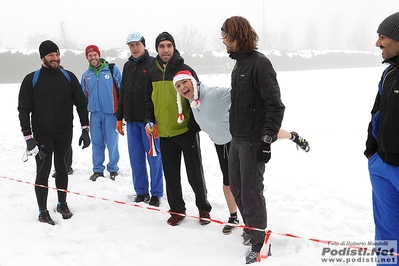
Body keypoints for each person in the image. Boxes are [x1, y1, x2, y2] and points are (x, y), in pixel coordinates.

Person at [172, 71, 310, 235]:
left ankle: (292, 136)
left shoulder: (213, 94)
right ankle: (233, 217)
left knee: (266, 141)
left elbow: (240, 93)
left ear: (193, 81)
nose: (182, 87)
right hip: (221, 144)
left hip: (239, 138)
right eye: (178, 86)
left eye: (185, 82)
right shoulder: (193, 102)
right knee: (228, 182)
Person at [221, 16, 286, 264]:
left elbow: (275, 105)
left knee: (251, 192)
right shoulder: (239, 64)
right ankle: (250, 229)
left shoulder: (260, 64)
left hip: (253, 142)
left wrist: (267, 139)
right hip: (237, 138)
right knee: (236, 188)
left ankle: (261, 245)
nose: (224, 42)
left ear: (238, 37)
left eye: (227, 37)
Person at [18, 40, 91, 225]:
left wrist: (85, 129)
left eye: (57, 54)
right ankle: (42, 211)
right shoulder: (31, 79)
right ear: (43, 57)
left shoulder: (68, 77)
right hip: (42, 135)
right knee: (42, 173)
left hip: (64, 132)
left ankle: (62, 203)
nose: (55, 58)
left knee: (62, 169)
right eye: (51, 55)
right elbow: (24, 109)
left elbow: (81, 103)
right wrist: (28, 137)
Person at [145, 31, 212, 226]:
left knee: (194, 173)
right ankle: (177, 210)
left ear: (173, 48)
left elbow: (199, 97)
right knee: (171, 175)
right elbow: (147, 99)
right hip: (164, 134)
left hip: (186, 132)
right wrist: (150, 120)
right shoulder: (152, 72)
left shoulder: (185, 70)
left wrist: (193, 125)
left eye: (169, 46)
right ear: (156, 49)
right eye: (161, 46)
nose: (165, 50)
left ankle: (203, 208)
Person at [365, 11, 399, 266]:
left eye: (383, 36)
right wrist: (372, 151)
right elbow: (377, 112)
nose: (378, 43)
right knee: (386, 233)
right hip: (382, 166)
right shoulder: (389, 73)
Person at [116, 31, 163, 207]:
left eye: (137, 44)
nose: (134, 48)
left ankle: (157, 193)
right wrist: (119, 117)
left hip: (149, 122)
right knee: (136, 159)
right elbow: (123, 93)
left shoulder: (153, 64)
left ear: (143, 45)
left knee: (154, 156)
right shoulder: (127, 66)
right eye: (131, 45)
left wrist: (153, 119)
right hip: (131, 121)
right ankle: (141, 191)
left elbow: (156, 93)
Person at [81, 45, 121, 181]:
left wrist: (122, 112)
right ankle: (98, 169)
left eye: (94, 55)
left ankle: (113, 169)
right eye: (90, 55)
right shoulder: (86, 75)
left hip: (111, 113)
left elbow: (122, 89)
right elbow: (83, 97)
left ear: (99, 55)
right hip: (95, 114)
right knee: (97, 143)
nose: (93, 58)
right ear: (86, 57)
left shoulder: (112, 69)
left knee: (112, 142)